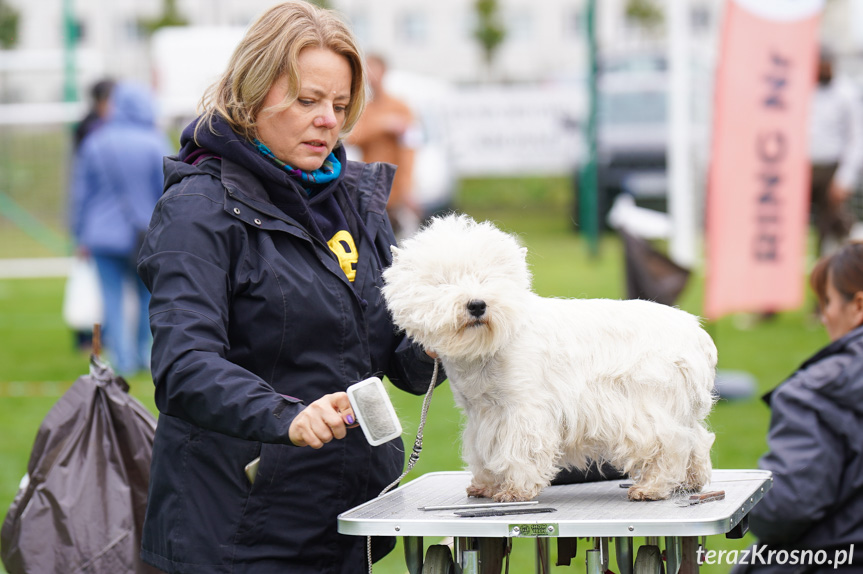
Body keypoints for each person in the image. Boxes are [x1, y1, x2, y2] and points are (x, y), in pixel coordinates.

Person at [136, 3, 443, 573]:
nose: (328, 119)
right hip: (234, 532)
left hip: (351, 521)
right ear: (251, 94)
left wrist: (440, 339)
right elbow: (184, 365)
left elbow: (392, 352)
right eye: (307, 101)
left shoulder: (354, 198)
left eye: (340, 105)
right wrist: (286, 416)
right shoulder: (197, 209)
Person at [731, 241, 863, 573]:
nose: (824, 317)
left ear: (858, 306)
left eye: (828, 302)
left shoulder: (820, 389)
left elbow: (785, 509)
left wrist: (736, 503)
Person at [70, 81, 170, 375]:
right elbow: (167, 192)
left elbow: (80, 195)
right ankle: (144, 353)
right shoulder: (155, 142)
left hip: (101, 235)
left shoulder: (94, 142)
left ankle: (122, 360)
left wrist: (79, 235)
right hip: (145, 235)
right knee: (147, 296)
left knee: (111, 297)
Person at [346, 53, 420, 239]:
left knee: (399, 240)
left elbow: (409, 150)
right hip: (369, 185)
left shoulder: (400, 107)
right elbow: (351, 137)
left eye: (375, 70)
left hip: (395, 189)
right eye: (368, 71)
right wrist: (382, 124)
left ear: (384, 72)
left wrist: (407, 188)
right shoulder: (362, 108)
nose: (371, 76)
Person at [809, 46, 863, 257]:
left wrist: (845, 178)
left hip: (832, 166)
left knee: (834, 223)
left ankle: (842, 272)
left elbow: (855, 137)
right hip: (803, 165)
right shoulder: (800, 88)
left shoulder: (846, 92)